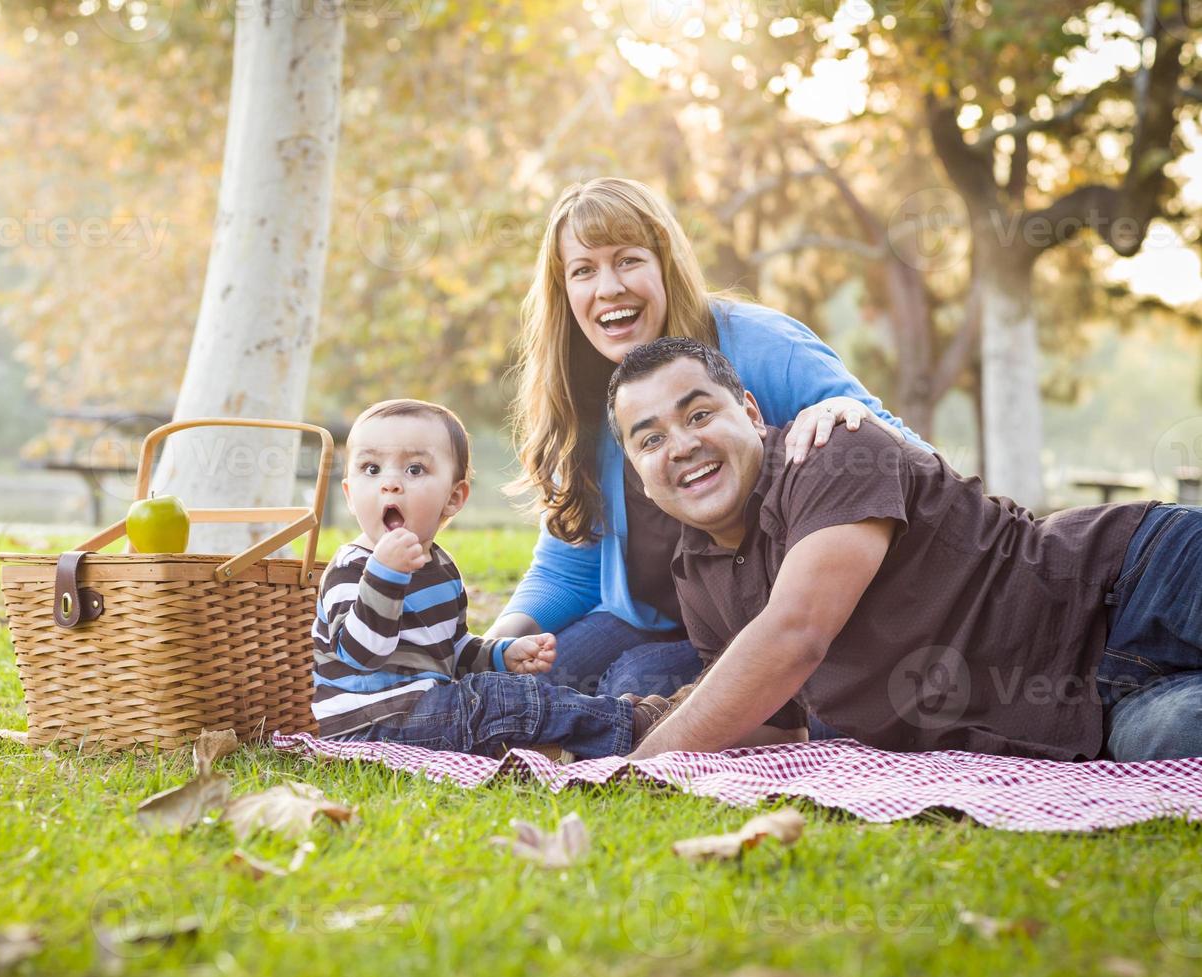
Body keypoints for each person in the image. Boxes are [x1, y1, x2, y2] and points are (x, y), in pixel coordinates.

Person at [608, 336, 1200, 761]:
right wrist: (627, 724)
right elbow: (773, 724)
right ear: (638, 473)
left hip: (1129, 582)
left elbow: (795, 634)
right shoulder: (696, 573)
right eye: (652, 439)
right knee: (1182, 740)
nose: (682, 446)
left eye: (700, 414)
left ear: (752, 413)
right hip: (1091, 710)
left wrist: (638, 769)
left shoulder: (833, 451)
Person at [486, 177, 933, 706]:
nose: (607, 288)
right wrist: (492, 644)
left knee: (632, 684)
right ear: (565, 292)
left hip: (771, 619)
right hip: (648, 620)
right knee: (502, 689)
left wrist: (849, 413)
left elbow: (913, 461)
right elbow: (570, 564)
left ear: (665, 263)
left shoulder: (766, 347)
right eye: (583, 270)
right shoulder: (580, 393)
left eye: (628, 260)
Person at [311, 399, 670, 758]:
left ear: (453, 498)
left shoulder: (440, 568)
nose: (389, 484)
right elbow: (360, 655)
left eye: (415, 470)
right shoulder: (351, 569)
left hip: (428, 712)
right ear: (349, 496)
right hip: (369, 724)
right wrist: (384, 574)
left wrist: (501, 654)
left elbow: (451, 650)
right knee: (495, 699)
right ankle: (629, 724)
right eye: (371, 469)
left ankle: (572, 740)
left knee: (504, 691)